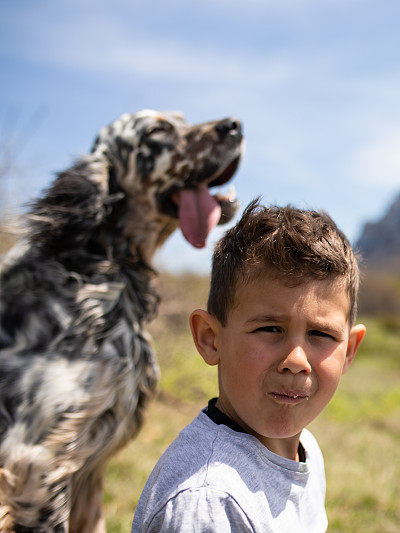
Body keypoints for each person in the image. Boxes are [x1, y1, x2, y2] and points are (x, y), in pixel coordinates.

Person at [132, 201, 366, 532]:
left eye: (321, 334)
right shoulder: (210, 503)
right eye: (269, 329)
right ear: (211, 338)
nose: (296, 361)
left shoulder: (303, 448)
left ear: (349, 351)